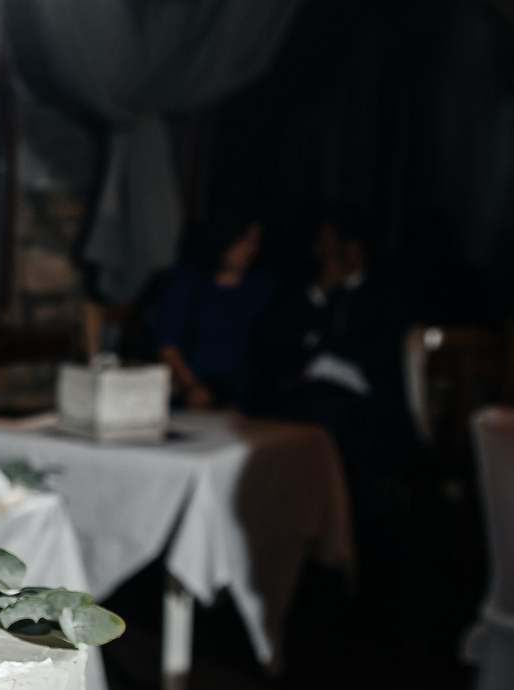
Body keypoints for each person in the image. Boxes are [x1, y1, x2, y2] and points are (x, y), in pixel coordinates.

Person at [255, 208, 415, 530]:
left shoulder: (386, 294)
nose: (317, 253)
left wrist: (323, 356)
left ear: (352, 250)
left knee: (323, 413)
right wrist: (319, 292)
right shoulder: (312, 293)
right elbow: (274, 338)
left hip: (365, 407)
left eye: (325, 245)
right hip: (308, 397)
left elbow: (381, 356)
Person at [148, 213, 275, 410]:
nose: (250, 248)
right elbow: (167, 344)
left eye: (255, 241)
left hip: (244, 398)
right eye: (244, 239)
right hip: (191, 394)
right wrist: (191, 386)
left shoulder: (263, 286)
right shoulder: (187, 281)